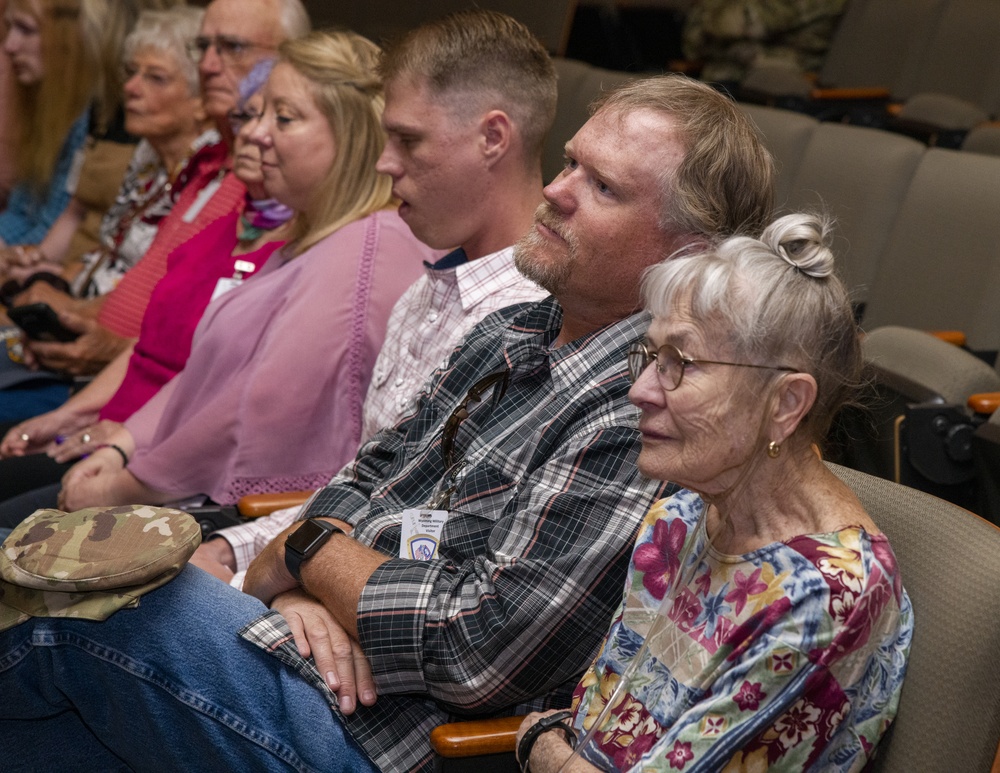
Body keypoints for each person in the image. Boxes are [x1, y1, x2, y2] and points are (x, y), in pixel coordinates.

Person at [0, 72, 775, 773]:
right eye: (570, 162)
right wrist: (301, 579)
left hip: (381, 739)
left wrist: (305, 557)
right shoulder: (513, 329)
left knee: (92, 599)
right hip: (309, 653)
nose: (557, 191)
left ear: (688, 254)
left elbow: (477, 649)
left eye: (602, 187)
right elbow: (365, 476)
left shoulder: (644, 408)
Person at [515, 213, 913, 772]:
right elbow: (600, 719)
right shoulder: (683, 510)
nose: (640, 390)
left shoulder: (827, 597)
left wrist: (540, 746)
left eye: (682, 362)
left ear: (785, 404)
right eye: (651, 356)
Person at [0, 29, 435, 519]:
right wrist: (121, 445)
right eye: (257, 113)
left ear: (351, 135)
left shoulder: (364, 247)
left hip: (254, 514)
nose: (253, 133)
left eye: (284, 118)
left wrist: (124, 485)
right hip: (177, 478)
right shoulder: (309, 237)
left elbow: (252, 410)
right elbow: (207, 373)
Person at [192, 9, 554, 584]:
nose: (385, 162)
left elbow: (430, 551)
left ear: (493, 138)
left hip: (369, 618)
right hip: (312, 568)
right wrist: (235, 548)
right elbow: (359, 491)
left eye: (408, 140)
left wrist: (278, 581)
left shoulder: (539, 320)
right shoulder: (424, 291)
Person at [0, 61, 288, 502]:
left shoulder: (294, 254)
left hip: (160, 458)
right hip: (115, 426)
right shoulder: (227, 225)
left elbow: (219, 394)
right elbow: (148, 344)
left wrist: (120, 444)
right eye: (246, 117)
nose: (251, 133)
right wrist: (70, 417)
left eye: (280, 119)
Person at [1, 0, 309, 380]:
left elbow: (220, 348)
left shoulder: (272, 180)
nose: (209, 65)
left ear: (290, 59)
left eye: (232, 48)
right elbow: (148, 278)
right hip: (110, 365)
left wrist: (105, 347)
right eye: (204, 48)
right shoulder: (206, 163)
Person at [0, 4, 219, 421]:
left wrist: (68, 306)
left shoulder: (212, 179)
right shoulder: (148, 157)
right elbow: (107, 250)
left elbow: (164, 303)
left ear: (201, 103)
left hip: (118, 368)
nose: (131, 88)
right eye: (130, 73)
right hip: (75, 325)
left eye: (154, 78)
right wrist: (47, 279)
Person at [0, 0, 92, 246]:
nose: (9, 45)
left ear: (71, 39)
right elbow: (21, 212)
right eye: (10, 28)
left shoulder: (93, 116)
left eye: (26, 30)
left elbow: (52, 228)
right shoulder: (47, 101)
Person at [683, 0, 849, 86]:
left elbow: (735, 23)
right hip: (724, 76)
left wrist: (709, 15)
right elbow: (693, 42)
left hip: (782, 77)